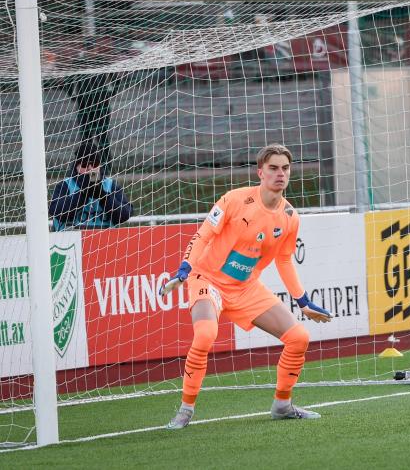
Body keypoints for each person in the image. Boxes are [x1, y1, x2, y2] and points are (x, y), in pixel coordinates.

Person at [160, 144, 332, 429]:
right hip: (208, 279)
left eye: (285, 168)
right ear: (260, 172)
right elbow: (203, 235)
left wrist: (302, 301)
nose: (280, 174)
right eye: (273, 168)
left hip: (245, 288)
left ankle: (282, 405)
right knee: (205, 335)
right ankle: (185, 409)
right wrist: (185, 267)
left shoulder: (290, 217)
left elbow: (285, 260)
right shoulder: (235, 200)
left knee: (299, 337)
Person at [49, 141, 132, 231]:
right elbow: (56, 212)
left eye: (94, 164)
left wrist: (104, 197)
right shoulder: (65, 185)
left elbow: (125, 214)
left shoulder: (110, 185)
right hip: (73, 242)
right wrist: (83, 194)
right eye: (85, 164)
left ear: (99, 165)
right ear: (77, 166)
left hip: (105, 241)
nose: (90, 168)